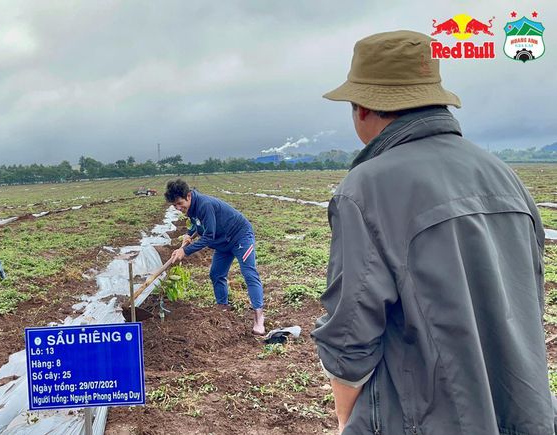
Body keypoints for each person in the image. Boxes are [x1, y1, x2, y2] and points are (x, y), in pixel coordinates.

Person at [310, 30, 555, 434]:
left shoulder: (366, 188)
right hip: (523, 412)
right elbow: (529, 298)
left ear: (363, 108)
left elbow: (350, 334)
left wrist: (344, 420)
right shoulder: (505, 176)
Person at [165, 179, 266, 335]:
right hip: (223, 241)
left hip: (240, 237)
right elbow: (197, 224)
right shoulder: (192, 208)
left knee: (249, 273)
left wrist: (185, 252)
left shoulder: (205, 205)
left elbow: (209, 237)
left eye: (180, 203)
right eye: (174, 205)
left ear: (189, 196)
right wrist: (189, 234)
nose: (178, 208)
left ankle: (259, 317)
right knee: (216, 274)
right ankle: (222, 309)